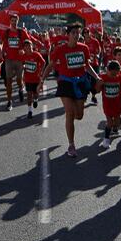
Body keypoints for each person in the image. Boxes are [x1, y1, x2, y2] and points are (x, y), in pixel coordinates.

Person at [41, 23, 102, 158]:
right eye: (73, 33)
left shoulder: (84, 48)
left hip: (80, 82)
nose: (76, 35)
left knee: (79, 115)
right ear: (68, 35)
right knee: (69, 113)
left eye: (78, 33)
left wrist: (97, 77)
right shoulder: (60, 49)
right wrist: (41, 81)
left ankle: (72, 117)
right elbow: (50, 66)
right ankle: (71, 144)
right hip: (65, 83)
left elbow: (87, 66)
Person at [0, 14, 31, 111]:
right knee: (9, 81)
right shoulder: (7, 32)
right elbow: (2, 43)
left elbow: (28, 42)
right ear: (10, 21)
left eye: (15, 21)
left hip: (19, 60)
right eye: (12, 20)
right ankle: (9, 101)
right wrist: (1, 54)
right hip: (9, 60)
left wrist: (24, 50)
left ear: (18, 21)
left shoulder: (21, 32)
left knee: (19, 80)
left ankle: (21, 88)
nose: (14, 22)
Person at [97, 60, 121, 149]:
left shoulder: (119, 78)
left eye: (116, 73)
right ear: (107, 70)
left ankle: (113, 128)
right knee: (109, 122)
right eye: (112, 73)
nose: (114, 75)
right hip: (107, 104)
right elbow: (97, 90)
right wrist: (99, 84)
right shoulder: (103, 77)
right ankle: (106, 139)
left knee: (116, 124)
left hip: (116, 104)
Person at [20, 39, 46, 119]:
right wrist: (23, 67)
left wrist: (41, 71)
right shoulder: (24, 56)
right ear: (24, 47)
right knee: (29, 95)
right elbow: (22, 64)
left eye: (29, 45)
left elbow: (44, 62)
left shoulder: (36, 54)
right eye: (26, 46)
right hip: (28, 79)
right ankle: (29, 111)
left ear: (32, 46)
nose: (27, 47)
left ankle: (36, 100)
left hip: (36, 79)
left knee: (35, 94)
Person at [82, 27, 102, 104]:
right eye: (85, 33)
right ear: (83, 34)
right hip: (86, 65)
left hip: (94, 64)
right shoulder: (83, 42)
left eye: (88, 32)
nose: (87, 34)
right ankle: (85, 96)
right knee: (86, 80)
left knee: (94, 81)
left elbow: (99, 50)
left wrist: (96, 54)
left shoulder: (95, 41)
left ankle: (93, 96)